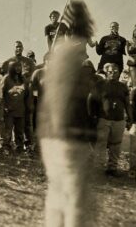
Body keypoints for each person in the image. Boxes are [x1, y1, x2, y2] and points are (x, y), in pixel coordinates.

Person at [39, 37, 99, 227]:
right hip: (62, 139)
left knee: (66, 190)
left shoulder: (84, 79)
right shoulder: (57, 79)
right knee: (66, 190)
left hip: (68, 138)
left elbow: (90, 111)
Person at [89, 63, 131, 176]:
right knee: (101, 143)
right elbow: (91, 100)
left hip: (119, 120)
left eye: (115, 71)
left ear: (119, 72)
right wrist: (92, 115)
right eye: (110, 71)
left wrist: (130, 119)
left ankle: (112, 168)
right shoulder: (100, 84)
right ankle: (98, 167)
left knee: (116, 144)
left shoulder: (123, 86)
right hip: (104, 119)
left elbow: (127, 103)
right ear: (106, 72)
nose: (113, 74)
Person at [1, 61, 30, 153]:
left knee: (19, 130)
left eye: (19, 66)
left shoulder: (23, 79)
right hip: (9, 109)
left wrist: (27, 106)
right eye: (15, 66)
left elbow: (27, 95)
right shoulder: (6, 79)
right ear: (10, 68)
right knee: (8, 129)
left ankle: (19, 146)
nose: (18, 68)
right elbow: (0, 93)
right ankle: (6, 146)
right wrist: (4, 106)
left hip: (20, 109)